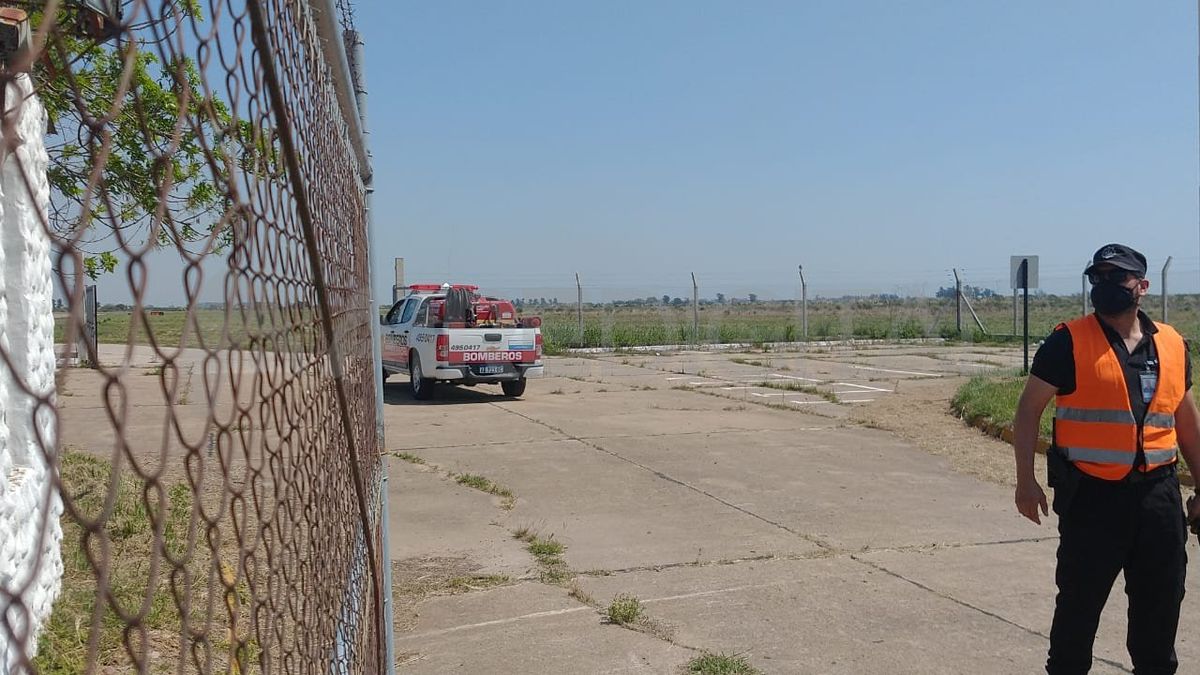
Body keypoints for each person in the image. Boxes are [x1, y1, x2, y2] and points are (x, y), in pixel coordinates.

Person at [1012, 243, 1200, 675]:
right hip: (1093, 500)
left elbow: (1186, 423)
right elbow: (1027, 410)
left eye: (1117, 278)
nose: (1106, 286)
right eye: (1098, 278)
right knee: (1077, 613)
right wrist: (1025, 481)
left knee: (1160, 611)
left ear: (1142, 287)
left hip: (1158, 498)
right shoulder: (1068, 342)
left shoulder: (1172, 345)